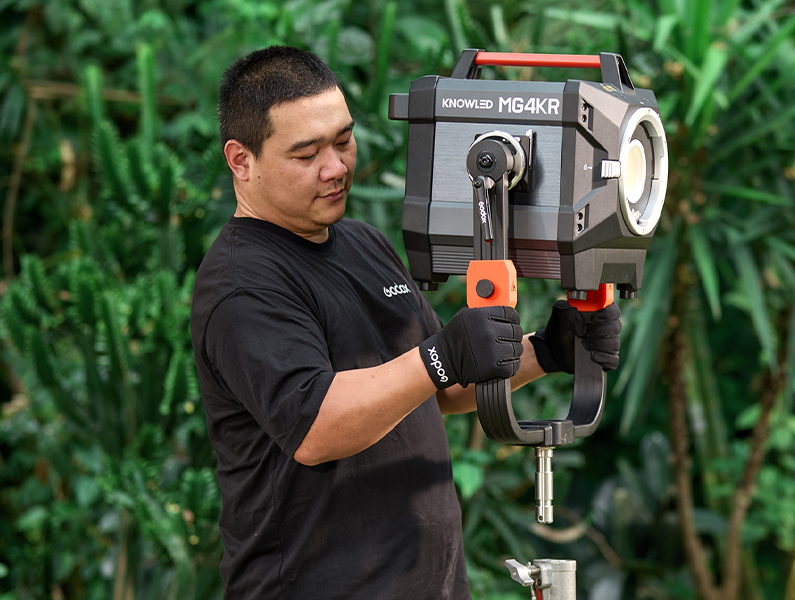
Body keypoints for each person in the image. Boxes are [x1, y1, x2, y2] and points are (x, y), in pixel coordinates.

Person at [190, 45, 622, 599]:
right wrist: (441, 356)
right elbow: (316, 428)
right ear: (240, 160)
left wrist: (546, 350)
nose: (336, 167)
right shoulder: (242, 282)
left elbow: (438, 389)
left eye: (343, 141)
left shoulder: (361, 243)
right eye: (306, 154)